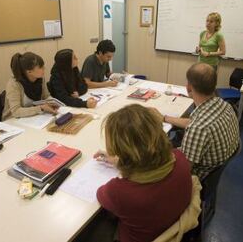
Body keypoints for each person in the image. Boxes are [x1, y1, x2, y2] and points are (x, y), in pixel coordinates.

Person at [75, 104, 192, 242]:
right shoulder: (180, 158)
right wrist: (121, 162)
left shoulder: (119, 191)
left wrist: (123, 164)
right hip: (172, 226)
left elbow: (101, 195)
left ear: (119, 150)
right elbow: (147, 165)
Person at [163, 63, 239, 180]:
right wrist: (166, 118)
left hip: (198, 177)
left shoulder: (198, 129)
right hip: (215, 165)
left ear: (189, 88)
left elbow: (183, 169)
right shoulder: (225, 106)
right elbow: (194, 122)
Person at [2, 52, 58, 121]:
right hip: (13, 121)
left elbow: (46, 96)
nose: (44, 68)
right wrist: (40, 108)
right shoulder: (14, 84)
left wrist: (53, 103)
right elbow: (16, 111)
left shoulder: (40, 78)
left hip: (34, 117)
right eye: (40, 67)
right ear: (29, 72)